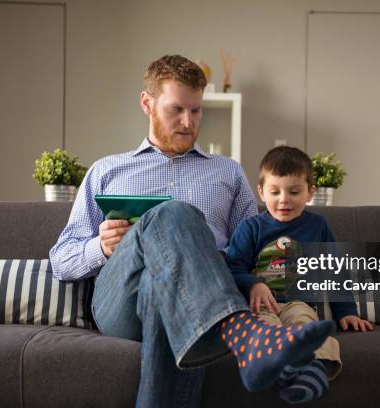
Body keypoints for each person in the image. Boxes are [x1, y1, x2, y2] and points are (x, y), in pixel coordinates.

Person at [49, 55, 335, 407]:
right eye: (176, 110)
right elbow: (61, 261)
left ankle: (232, 328)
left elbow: (253, 250)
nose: (188, 122)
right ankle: (241, 333)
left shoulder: (227, 172)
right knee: (173, 214)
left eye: (196, 111)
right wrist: (101, 247)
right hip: (121, 301)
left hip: (192, 296)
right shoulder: (107, 170)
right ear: (147, 103)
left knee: (162, 289)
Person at [225, 146, 374, 404]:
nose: (284, 200)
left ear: (310, 193)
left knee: (309, 328)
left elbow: (334, 269)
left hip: (300, 303)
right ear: (261, 192)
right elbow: (232, 267)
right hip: (262, 305)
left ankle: (315, 370)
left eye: (294, 192)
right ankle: (285, 367)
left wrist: (346, 311)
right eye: (275, 192)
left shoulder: (318, 226)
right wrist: (253, 284)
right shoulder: (251, 228)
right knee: (267, 332)